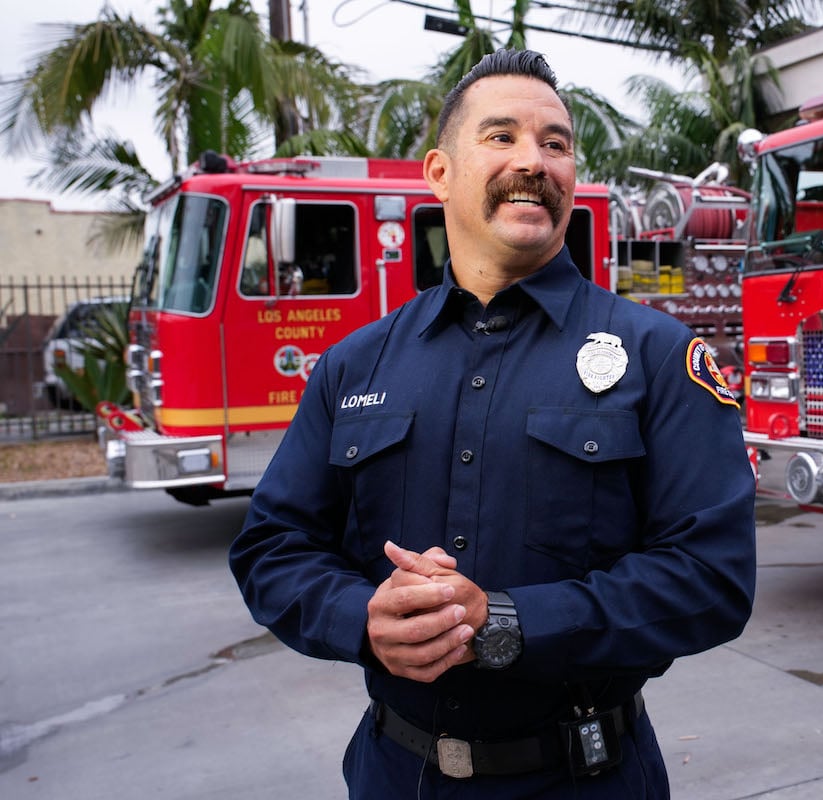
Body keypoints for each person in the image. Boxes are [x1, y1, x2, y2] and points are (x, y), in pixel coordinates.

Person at [229, 49, 757, 799]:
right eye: (501, 136)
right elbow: (271, 548)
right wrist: (361, 617)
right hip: (395, 776)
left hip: (586, 779)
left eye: (556, 143)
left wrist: (507, 620)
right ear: (439, 172)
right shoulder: (355, 367)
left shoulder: (659, 356)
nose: (532, 161)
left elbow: (712, 579)